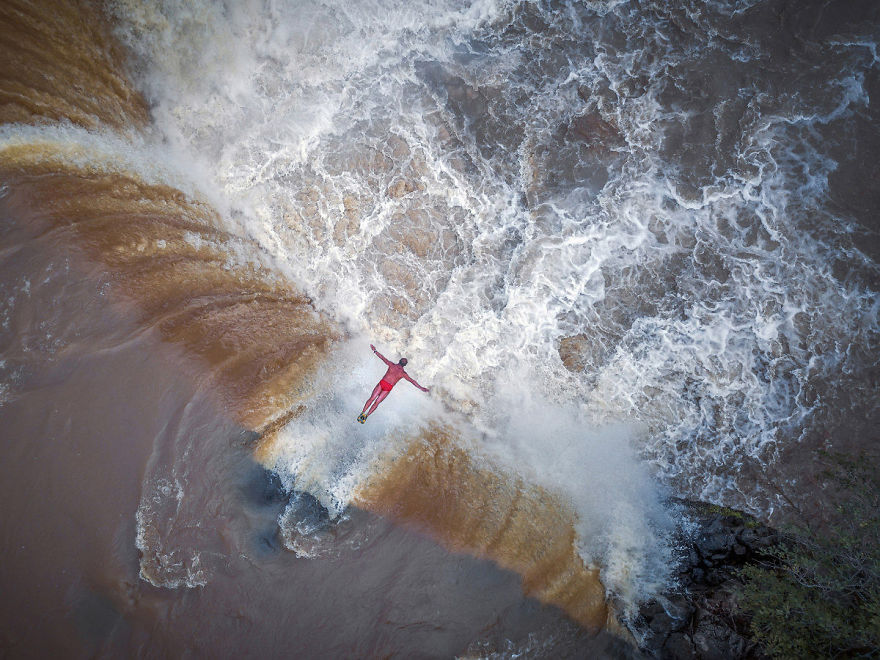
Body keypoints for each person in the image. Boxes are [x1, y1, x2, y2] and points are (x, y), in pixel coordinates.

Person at [358, 344, 429, 423]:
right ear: (400, 361)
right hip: (382, 384)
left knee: (377, 402)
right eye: (404, 359)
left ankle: (365, 416)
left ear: (404, 364)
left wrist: (421, 388)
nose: (404, 360)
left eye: (405, 360)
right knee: (372, 398)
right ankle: (362, 413)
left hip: (387, 388)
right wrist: (375, 351)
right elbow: (382, 358)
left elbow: (412, 381)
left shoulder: (403, 373)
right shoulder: (392, 365)